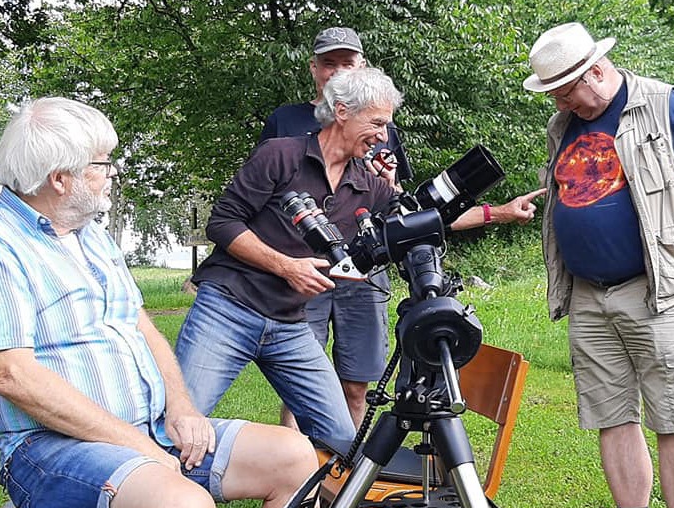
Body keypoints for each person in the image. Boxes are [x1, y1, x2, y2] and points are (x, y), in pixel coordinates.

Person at [0, 97, 317, 508]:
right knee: (182, 507)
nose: (112, 173)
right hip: (49, 450)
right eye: (101, 163)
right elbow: (14, 378)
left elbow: (139, 325)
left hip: (150, 429)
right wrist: (137, 448)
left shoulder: (91, 236)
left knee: (294, 456)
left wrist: (181, 407)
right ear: (60, 179)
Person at [175, 67, 545, 443]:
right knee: (179, 424)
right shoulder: (280, 155)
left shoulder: (368, 184)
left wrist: (498, 212)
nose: (385, 136)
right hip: (228, 308)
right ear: (341, 112)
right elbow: (222, 224)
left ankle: (317, 499)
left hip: (289, 324)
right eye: (378, 123)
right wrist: (287, 267)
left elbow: (422, 221)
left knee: (340, 437)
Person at [525, 23, 674, 508]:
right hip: (589, 295)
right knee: (612, 416)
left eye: (567, 91)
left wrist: (673, 256)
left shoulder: (664, 106)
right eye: (555, 95)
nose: (564, 103)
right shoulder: (563, 123)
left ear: (594, 71)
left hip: (657, 292)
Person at [261, 26, 412, 429]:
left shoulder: (383, 125)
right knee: (297, 384)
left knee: (356, 385)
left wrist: (387, 179)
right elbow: (261, 193)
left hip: (364, 274)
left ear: (362, 66)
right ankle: (296, 482)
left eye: (348, 62)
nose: (339, 71)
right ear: (314, 69)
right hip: (303, 269)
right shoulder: (285, 120)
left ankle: (342, 479)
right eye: (330, 63)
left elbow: (394, 199)